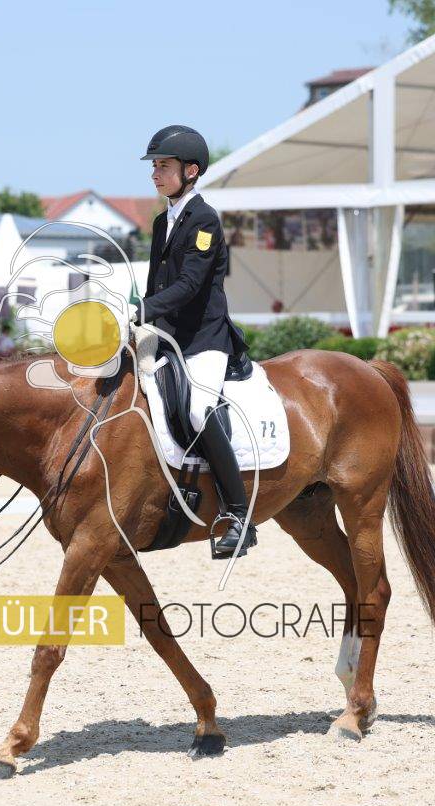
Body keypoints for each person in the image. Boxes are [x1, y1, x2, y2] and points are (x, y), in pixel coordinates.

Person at [134, 124, 256, 559]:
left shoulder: (204, 220)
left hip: (204, 339)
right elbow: (155, 285)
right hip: (166, 337)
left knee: (198, 409)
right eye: (154, 166)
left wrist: (141, 310)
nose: (155, 174)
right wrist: (138, 321)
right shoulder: (161, 223)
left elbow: (188, 286)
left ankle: (239, 516)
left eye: (163, 166)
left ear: (191, 170)